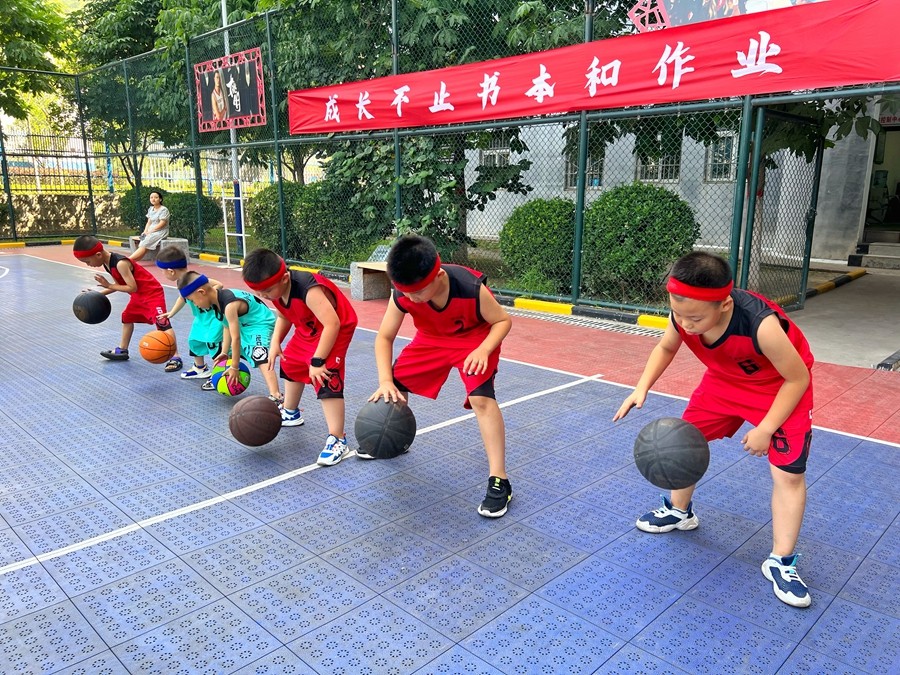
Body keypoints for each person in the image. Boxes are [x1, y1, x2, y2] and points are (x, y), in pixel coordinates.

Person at [613, 251, 814, 608]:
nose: (685, 324)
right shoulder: (683, 315)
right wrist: (641, 387)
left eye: (694, 318)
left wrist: (766, 428)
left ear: (724, 305)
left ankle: (781, 562)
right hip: (724, 383)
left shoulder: (761, 325)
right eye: (678, 314)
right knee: (681, 443)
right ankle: (680, 512)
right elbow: (666, 346)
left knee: (788, 475)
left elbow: (797, 378)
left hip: (780, 388)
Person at [369, 234, 514, 518]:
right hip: (431, 339)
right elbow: (384, 337)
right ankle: (391, 435)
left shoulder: (470, 288)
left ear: (439, 276)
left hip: (474, 339)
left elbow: (502, 321)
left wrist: (484, 350)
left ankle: (500, 480)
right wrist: (384, 380)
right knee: (394, 384)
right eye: (406, 292)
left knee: (481, 400)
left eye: (417, 293)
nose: (411, 298)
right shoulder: (403, 294)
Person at [242, 248, 358, 467]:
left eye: (266, 291)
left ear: (285, 278)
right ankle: (291, 412)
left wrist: (318, 361)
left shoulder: (308, 289)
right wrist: (275, 342)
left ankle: (338, 439)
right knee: (291, 363)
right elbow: (284, 314)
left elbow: (332, 324)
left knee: (325, 377)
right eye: (259, 292)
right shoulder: (276, 290)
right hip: (309, 327)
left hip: (335, 328)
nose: (264, 296)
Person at [73, 235, 183, 372]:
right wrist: (97, 294)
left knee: (162, 322)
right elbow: (119, 284)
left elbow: (131, 287)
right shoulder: (107, 263)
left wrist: (108, 285)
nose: (88, 265)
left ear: (98, 254)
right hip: (138, 295)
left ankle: (175, 357)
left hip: (152, 293)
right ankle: (123, 350)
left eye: (87, 261)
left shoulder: (120, 263)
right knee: (127, 317)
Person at [176, 271, 282, 401]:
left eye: (193, 301)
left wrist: (235, 366)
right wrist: (225, 352)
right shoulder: (216, 302)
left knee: (258, 354)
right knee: (230, 351)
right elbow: (226, 327)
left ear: (201, 292)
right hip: (245, 322)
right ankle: (223, 377)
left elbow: (236, 338)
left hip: (259, 322)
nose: (195, 305)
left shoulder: (229, 305)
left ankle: (276, 395)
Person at [155, 246, 226, 380]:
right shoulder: (181, 282)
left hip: (214, 318)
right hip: (200, 319)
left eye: (162, 271)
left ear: (171, 271)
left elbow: (219, 284)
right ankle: (200, 368)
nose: (162, 274)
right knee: (194, 341)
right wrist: (171, 313)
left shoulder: (195, 279)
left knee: (214, 344)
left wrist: (208, 295)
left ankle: (220, 373)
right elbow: (182, 298)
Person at [131, 191, 170, 263]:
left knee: (145, 242)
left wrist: (151, 231)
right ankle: (131, 261)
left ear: (160, 199)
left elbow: (162, 223)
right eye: (151, 197)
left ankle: (127, 260)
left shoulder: (164, 209)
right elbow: (149, 222)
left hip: (160, 231)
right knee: (142, 239)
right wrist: (145, 231)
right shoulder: (151, 209)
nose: (153, 199)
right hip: (150, 231)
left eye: (156, 197)